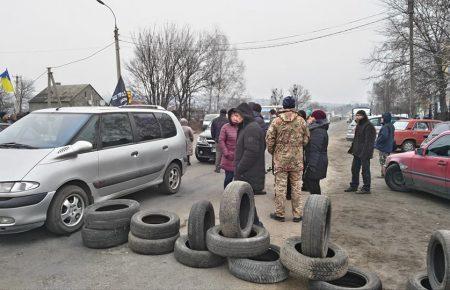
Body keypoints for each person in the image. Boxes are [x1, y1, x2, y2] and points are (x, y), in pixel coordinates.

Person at [266, 96, 310, 222]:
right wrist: (298, 147)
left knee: (280, 187)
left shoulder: (276, 121)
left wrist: (273, 152)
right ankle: (297, 215)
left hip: (280, 160)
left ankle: (280, 213)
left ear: (283, 106)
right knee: (296, 186)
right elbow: (306, 138)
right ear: (294, 105)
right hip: (296, 159)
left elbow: (269, 139)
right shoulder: (301, 121)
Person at [234, 102, 267, 196]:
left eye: (237, 115)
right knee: (246, 207)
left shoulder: (252, 128)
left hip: (249, 176)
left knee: (245, 207)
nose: (235, 118)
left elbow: (251, 152)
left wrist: (239, 169)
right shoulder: (246, 127)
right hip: (247, 176)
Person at [345, 110, 376, 194]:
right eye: (356, 115)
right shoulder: (359, 125)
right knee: (354, 169)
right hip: (357, 152)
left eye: (359, 115)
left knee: (365, 171)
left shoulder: (369, 126)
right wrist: (352, 149)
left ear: (364, 116)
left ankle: (366, 188)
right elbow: (356, 139)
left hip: (365, 153)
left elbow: (369, 142)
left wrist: (365, 153)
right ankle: (354, 186)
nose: (357, 117)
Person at [304, 110, 329, 195]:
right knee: (312, 183)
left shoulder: (318, 131)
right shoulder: (317, 129)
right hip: (317, 160)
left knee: (313, 183)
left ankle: (317, 204)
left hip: (316, 162)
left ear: (315, 118)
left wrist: (311, 166)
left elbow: (315, 149)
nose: (309, 118)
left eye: (311, 116)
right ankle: (316, 203)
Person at [219, 108, 239, 189]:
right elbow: (221, 140)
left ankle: (237, 196)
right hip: (229, 157)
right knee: (229, 177)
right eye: (233, 116)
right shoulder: (225, 127)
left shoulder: (242, 127)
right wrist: (226, 153)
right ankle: (227, 194)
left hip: (239, 157)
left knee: (238, 180)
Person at [375, 112, 395, 177]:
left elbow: (384, 136)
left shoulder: (385, 127)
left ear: (385, 119)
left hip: (384, 148)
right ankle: (385, 174)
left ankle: (384, 175)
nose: (381, 119)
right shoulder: (391, 125)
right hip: (389, 147)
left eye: (382, 118)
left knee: (383, 162)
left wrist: (377, 141)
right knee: (386, 161)